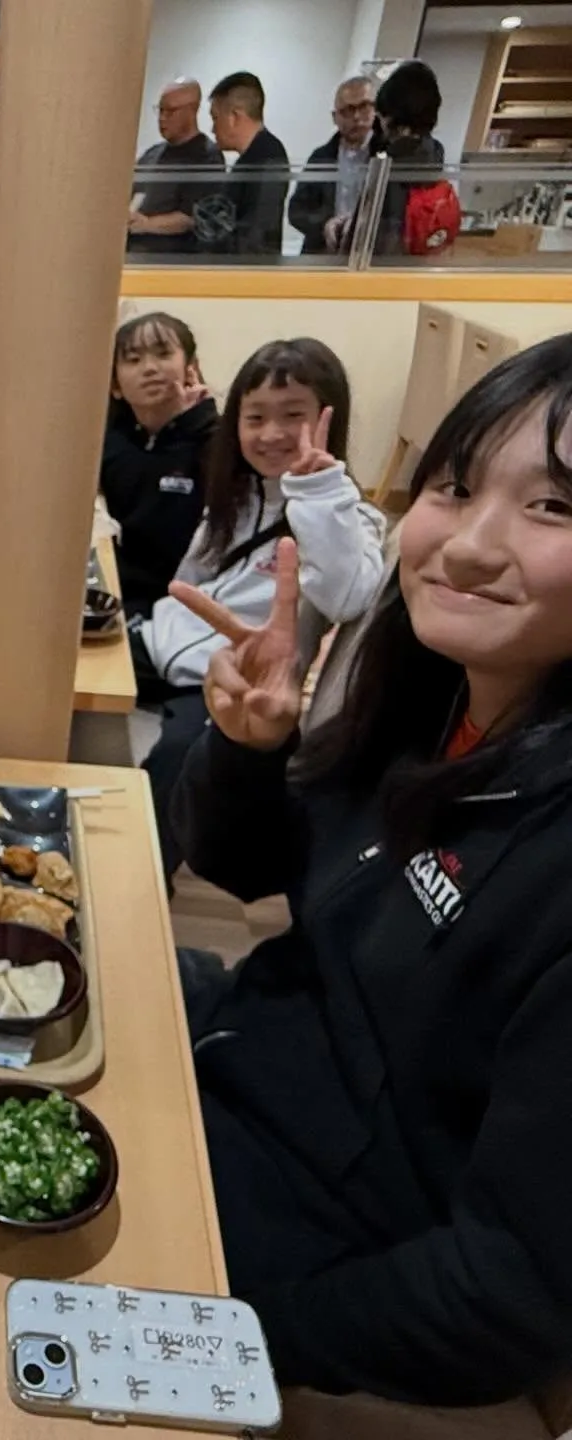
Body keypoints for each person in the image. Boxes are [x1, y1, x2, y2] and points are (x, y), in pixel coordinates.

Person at [170, 334, 572, 1405]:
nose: (469, 546)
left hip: (315, 1238)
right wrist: (249, 749)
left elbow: (510, 1290)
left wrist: (229, 1339)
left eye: (554, 509)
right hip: (246, 1065)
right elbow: (250, 869)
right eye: (455, 485)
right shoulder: (442, 697)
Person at [132, 338, 383, 880]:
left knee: (176, 756)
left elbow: (347, 596)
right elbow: (189, 580)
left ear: (327, 420)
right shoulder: (240, 498)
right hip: (171, 652)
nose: (271, 434)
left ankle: (140, 881)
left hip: (243, 684)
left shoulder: (347, 515)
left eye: (294, 416)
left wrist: (317, 492)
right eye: (256, 417)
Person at [100, 313, 217, 620]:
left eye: (164, 354)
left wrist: (186, 426)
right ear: (115, 385)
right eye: (134, 359)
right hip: (116, 593)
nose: (150, 369)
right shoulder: (112, 440)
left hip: (181, 608)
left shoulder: (214, 442)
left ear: (190, 369)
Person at [128, 79, 224, 256]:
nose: (163, 118)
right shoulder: (151, 154)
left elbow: (191, 217)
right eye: (160, 110)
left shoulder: (207, 156)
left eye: (171, 111)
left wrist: (146, 224)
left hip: (170, 260)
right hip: (132, 254)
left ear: (192, 110)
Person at [372, 60, 455, 257]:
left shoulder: (391, 166)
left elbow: (383, 239)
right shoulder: (434, 156)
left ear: (391, 117)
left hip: (384, 278)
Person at [203, 72, 290, 257]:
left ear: (234, 117)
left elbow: (257, 233)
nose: (212, 129)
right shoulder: (251, 159)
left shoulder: (269, 158)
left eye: (215, 118)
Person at [288, 76, 376, 255]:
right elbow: (296, 211)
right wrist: (325, 224)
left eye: (364, 107)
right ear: (335, 117)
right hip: (324, 253)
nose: (357, 117)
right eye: (348, 110)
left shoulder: (385, 155)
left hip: (369, 255)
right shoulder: (321, 157)